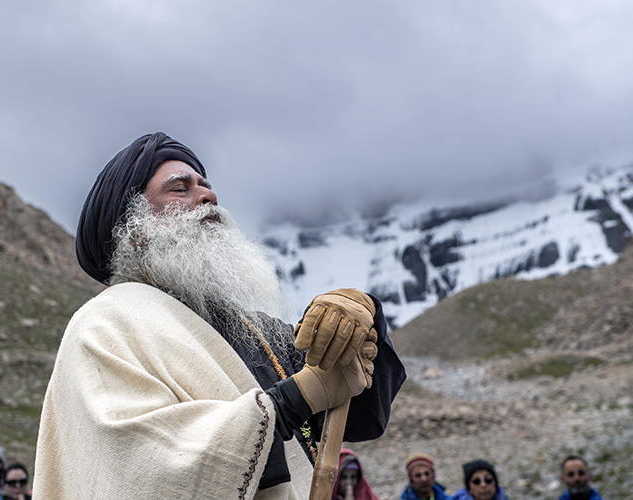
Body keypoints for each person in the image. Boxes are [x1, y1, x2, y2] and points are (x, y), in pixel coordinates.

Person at [33, 132, 406, 499]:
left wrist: (363, 315)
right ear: (135, 230)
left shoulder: (255, 332)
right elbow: (144, 468)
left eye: (205, 185)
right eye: (180, 188)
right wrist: (297, 398)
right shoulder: (105, 324)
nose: (208, 196)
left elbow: (362, 418)